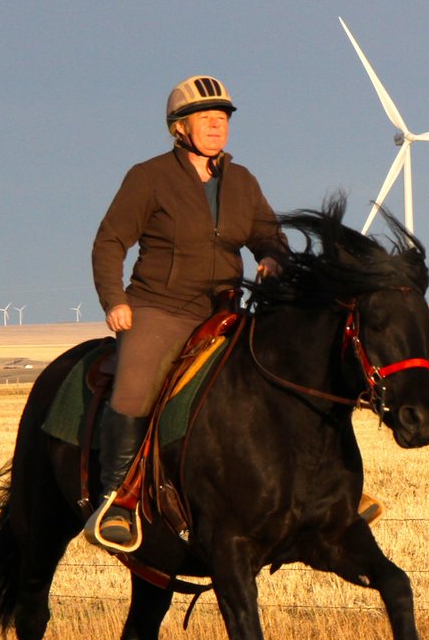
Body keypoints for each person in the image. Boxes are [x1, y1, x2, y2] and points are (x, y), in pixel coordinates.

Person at [84, 75, 287, 552]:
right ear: (179, 127)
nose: (218, 127)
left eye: (223, 119)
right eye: (206, 119)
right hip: (161, 308)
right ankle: (118, 501)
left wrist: (274, 256)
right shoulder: (148, 177)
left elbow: (268, 233)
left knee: (281, 373)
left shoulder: (242, 181)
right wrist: (115, 300)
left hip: (225, 308)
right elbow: (110, 241)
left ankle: (318, 490)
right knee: (134, 389)